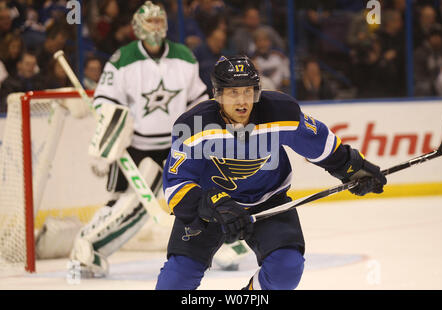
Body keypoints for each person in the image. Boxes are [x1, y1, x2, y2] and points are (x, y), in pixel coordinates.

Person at [155, 55, 387, 290]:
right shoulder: (194, 126)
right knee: (176, 280)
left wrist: (352, 168)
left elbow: (320, 144)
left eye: (248, 92)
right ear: (218, 94)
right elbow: (177, 184)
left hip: (268, 201)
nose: (242, 101)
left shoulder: (279, 112)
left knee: (287, 268)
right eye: (233, 93)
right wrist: (214, 204)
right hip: (212, 207)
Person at [68, 1, 251, 278]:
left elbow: (198, 100)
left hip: (177, 146)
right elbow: (105, 100)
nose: (156, 26)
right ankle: (89, 248)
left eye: (159, 20)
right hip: (138, 148)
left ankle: (223, 243)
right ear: (138, 26)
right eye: (150, 21)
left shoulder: (184, 56)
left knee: (204, 191)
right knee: (127, 204)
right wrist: (108, 129)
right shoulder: (122, 58)